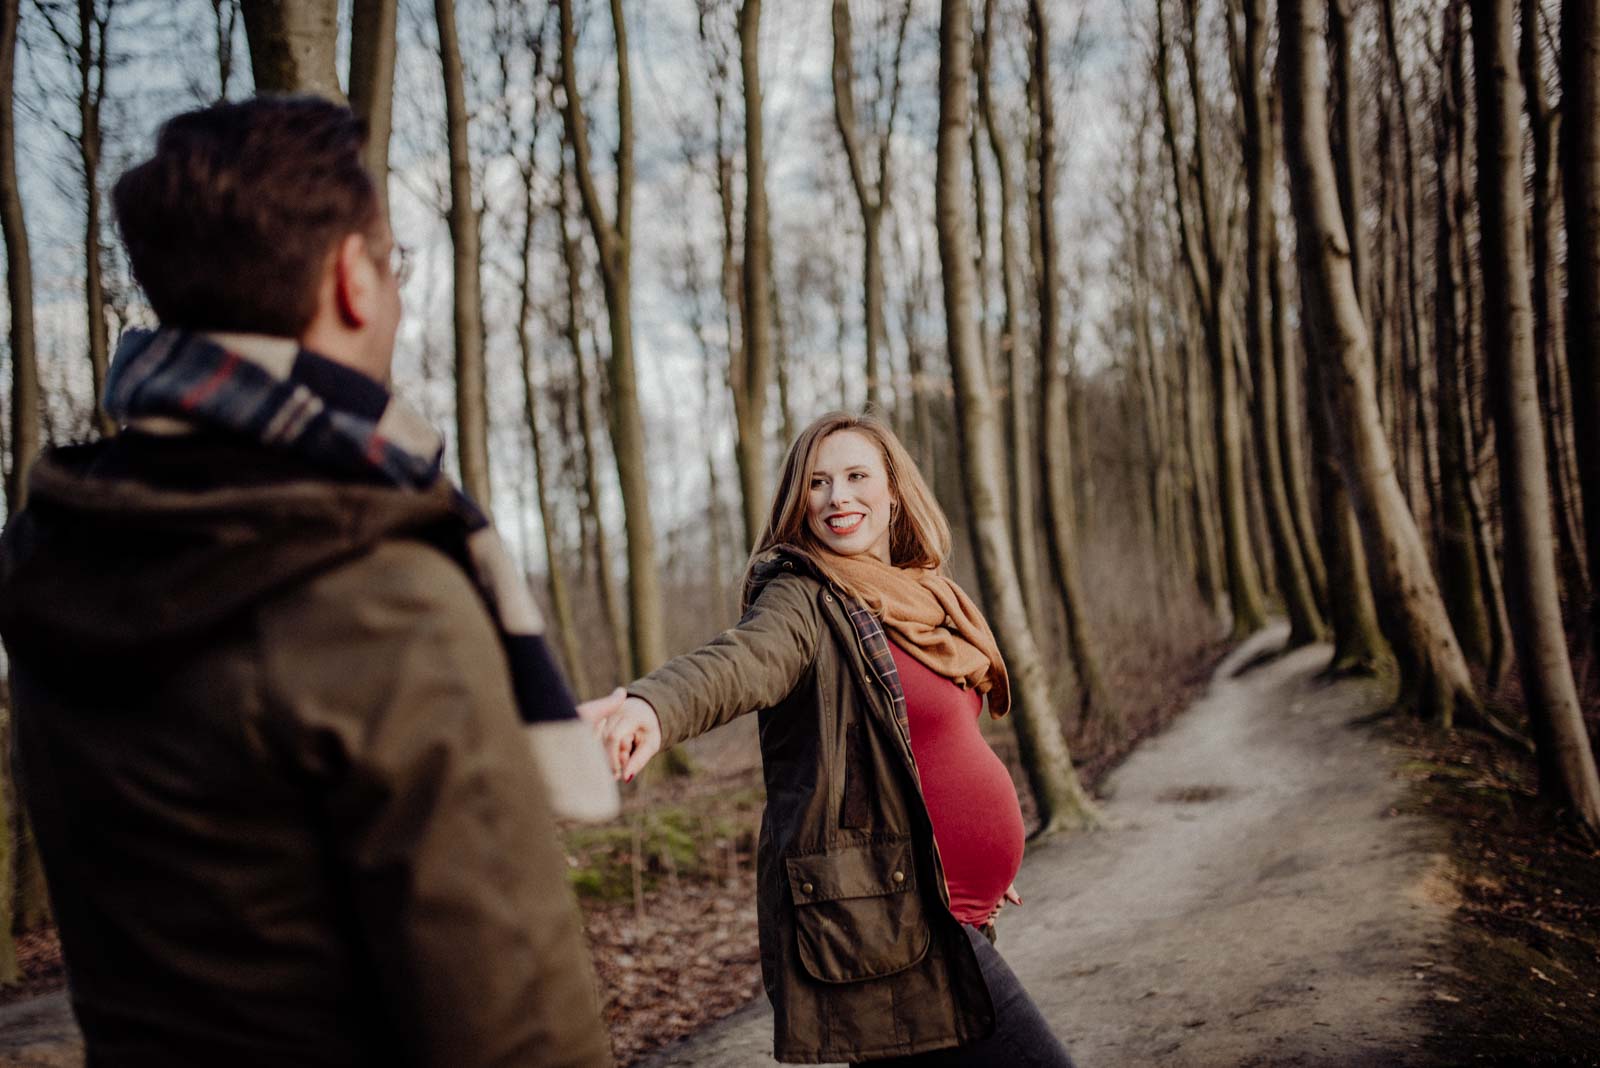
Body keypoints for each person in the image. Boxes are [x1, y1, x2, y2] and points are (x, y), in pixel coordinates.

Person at [0, 96, 619, 1067]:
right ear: (351, 281)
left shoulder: (62, 551)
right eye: (393, 262)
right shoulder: (376, 588)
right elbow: (518, 1032)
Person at [595, 412, 1076, 1066]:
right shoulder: (803, 598)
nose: (837, 497)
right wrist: (653, 707)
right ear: (799, 500)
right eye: (817, 483)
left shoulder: (920, 598)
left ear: (893, 492)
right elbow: (739, 662)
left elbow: (926, 753)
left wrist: (972, 858)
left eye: (855, 477)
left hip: (942, 904)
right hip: (893, 924)